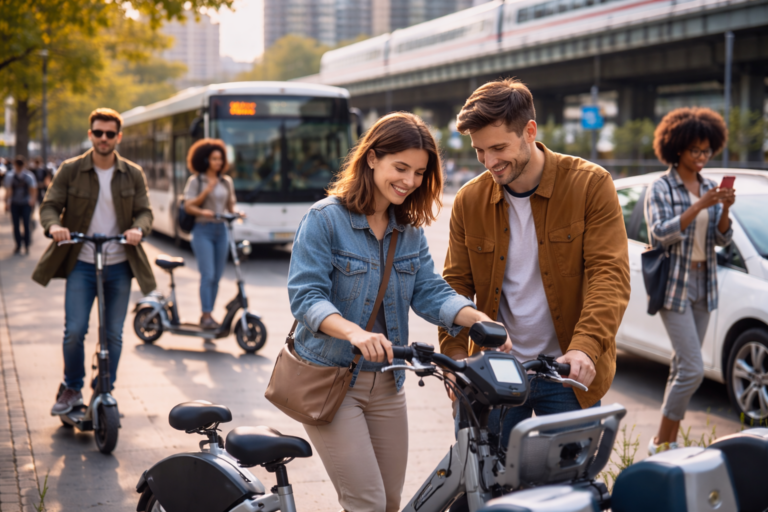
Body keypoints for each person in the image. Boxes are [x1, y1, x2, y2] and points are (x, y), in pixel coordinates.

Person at [287, 112, 508, 512]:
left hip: (389, 384)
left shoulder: (407, 230)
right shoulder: (325, 219)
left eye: (419, 173)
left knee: (390, 503)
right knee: (367, 502)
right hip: (333, 382)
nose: (409, 181)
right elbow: (306, 297)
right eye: (400, 167)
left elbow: (428, 290)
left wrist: (477, 319)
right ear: (372, 158)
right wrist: (355, 333)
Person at [440, 78, 631, 447]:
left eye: (498, 148)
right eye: (479, 151)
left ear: (529, 131)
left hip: (566, 372)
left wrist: (586, 346)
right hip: (492, 373)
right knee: (486, 490)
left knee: (569, 494)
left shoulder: (591, 185)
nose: (489, 162)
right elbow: (455, 286)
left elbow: (609, 275)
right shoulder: (469, 199)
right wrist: (453, 359)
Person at [32, 108, 156, 416]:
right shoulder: (70, 170)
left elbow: (145, 211)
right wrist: (54, 227)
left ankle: (104, 389)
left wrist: (138, 228)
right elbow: (49, 206)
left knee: (113, 333)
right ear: (90, 135)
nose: (103, 138)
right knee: (74, 330)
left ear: (118, 137)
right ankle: (72, 386)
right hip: (82, 262)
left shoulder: (133, 173)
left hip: (119, 263)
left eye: (110, 134)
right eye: (98, 133)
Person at [645, 107, 734, 454]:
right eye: (695, 150)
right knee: (694, 370)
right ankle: (661, 441)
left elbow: (722, 240)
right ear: (677, 147)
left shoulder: (711, 186)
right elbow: (661, 232)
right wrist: (699, 206)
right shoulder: (661, 187)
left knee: (681, 366)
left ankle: (665, 443)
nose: (701, 157)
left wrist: (724, 208)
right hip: (675, 285)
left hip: (705, 283)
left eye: (707, 151)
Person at [182, 138, 238, 330]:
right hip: (202, 230)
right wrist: (205, 193)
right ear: (205, 160)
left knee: (217, 276)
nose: (218, 162)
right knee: (208, 274)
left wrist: (237, 213)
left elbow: (230, 206)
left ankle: (209, 313)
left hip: (221, 230)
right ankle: (205, 315)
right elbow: (188, 206)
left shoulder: (226, 181)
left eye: (220, 159)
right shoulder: (196, 180)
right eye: (214, 159)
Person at [4, 155, 38, 255]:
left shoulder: (28, 176)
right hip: (15, 203)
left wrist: (32, 200)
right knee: (16, 225)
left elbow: (33, 190)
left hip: (25, 203)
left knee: (26, 224)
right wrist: (7, 202)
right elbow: (9, 191)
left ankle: (26, 244)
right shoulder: (11, 176)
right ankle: (18, 244)